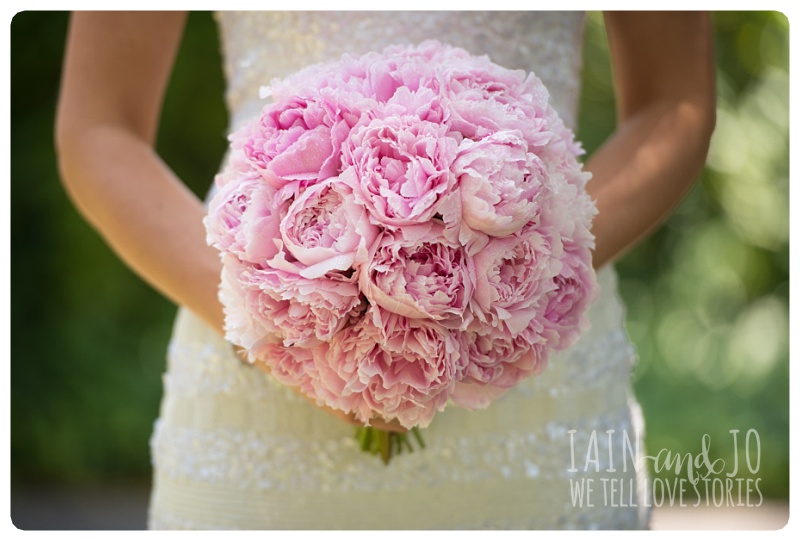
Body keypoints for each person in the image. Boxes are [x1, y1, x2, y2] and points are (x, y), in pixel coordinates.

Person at [55, 11, 715, 529]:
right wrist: (285, 327)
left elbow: (676, 104)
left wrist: (525, 264)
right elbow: (99, 129)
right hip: (254, 371)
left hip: (538, 383)